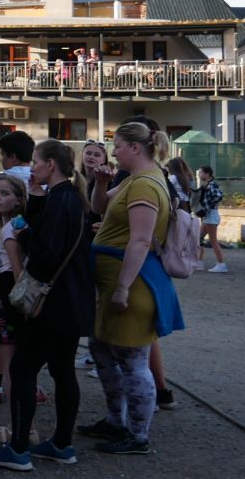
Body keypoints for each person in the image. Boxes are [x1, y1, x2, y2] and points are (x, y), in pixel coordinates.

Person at [75, 119, 185, 455]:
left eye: (118, 146)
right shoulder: (135, 179)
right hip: (114, 282)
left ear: (135, 148)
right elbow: (99, 207)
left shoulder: (145, 186)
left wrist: (123, 287)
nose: (114, 153)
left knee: (133, 361)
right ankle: (116, 421)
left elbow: (140, 240)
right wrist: (100, 183)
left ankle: (138, 435)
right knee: (103, 349)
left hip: (132, 284)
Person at [0, 139, 95, 471]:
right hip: (74, 299)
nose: (32, 167)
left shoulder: (60, 199)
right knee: (63, 370)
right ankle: (62, 444)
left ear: (51, 164)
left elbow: (47, 253)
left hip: (53, 303)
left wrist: (23, 232)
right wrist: (36, 196)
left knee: (23, 369)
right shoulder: (71, 196)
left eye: (37, 162)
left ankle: (19, 447)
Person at [0, 174, 29, 406]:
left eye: (5, 193)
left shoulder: (11, 228)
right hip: (5, 291)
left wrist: (22, 300)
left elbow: (17, 268)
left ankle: (18, 419)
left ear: (19, 199)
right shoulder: (10, 225)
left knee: (11, 361)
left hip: (8, 293)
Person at [195, 165, 226, 271]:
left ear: (207, 174)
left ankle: (221, 264)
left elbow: (219, 196)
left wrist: (208, 206)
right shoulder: (207, 185)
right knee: (199, 238)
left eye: (201, 173)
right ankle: (199, 262)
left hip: (211, 215)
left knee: (213, 241)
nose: (199, 175)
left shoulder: (211, 185)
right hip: (208, 216)